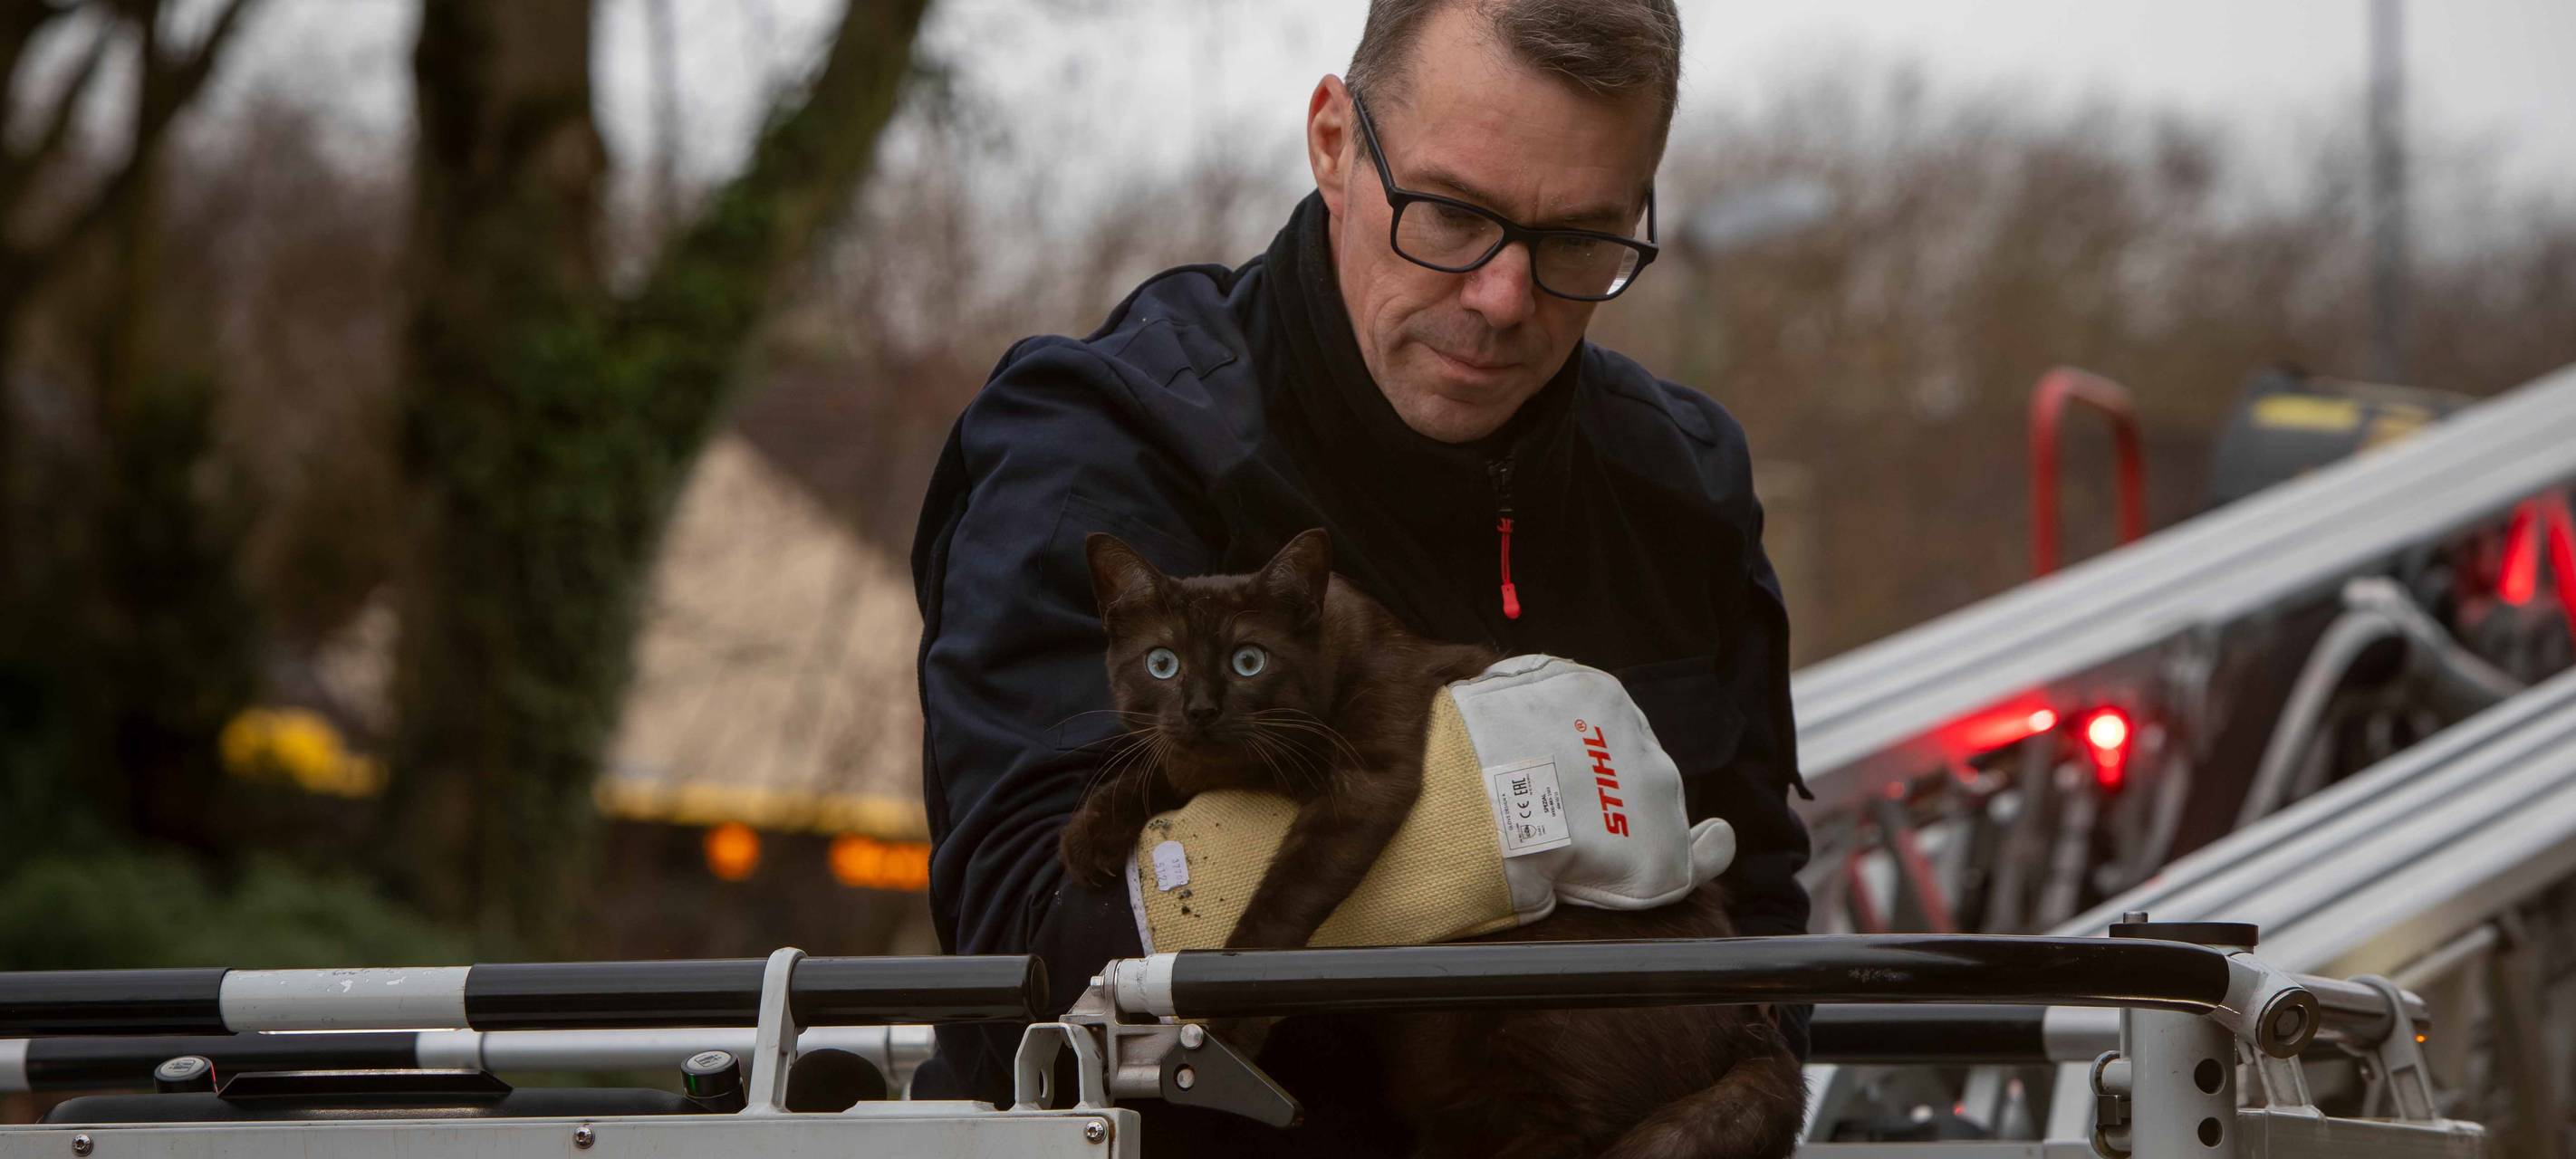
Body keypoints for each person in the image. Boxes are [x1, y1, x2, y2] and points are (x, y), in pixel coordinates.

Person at [908, 0, 1811, 1145]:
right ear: (1334, 141)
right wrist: (1469, 824)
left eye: (1580, 238)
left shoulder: (1682, 486)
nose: (1503, 300)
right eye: (1451, 213)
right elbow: (1030, 978)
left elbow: (1770, 943)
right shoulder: (1103, 448)